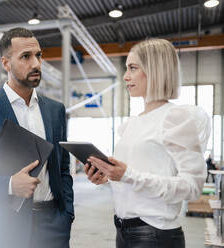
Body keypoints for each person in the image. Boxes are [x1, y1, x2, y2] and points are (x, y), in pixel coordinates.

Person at [0, 27, 74, 248]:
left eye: (38, 55)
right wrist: (9, 185)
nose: (36, 64)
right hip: (3, 227)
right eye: (26, 57)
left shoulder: (55, 110)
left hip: (52, 227)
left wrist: (66, 215)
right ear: (6, 63)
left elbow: (63, 169)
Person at [85, 38, 211, 248]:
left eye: (133, 68)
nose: (125, 76)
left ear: (155, 71)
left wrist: (128, 175)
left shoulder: (176, 117)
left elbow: (192, 187)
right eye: (127, 69)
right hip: (123, 230)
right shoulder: (131, 124)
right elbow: (135, 175)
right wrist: (107, 177)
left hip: (155, 234)